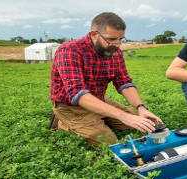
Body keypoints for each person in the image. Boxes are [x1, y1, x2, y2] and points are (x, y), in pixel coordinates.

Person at [50, 12, 161, 145]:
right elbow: (77, 94)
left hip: (98, 99)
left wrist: (141, 108)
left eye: (121, 39)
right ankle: (63, 123)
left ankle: (98, 117)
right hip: (71, 107)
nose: (117, 44)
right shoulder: (69, 50)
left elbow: (124, 82)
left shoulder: (115, 51)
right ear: (94, 35)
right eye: (112, 39)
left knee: (143, 123)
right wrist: (123, 116)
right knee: (108, 141)